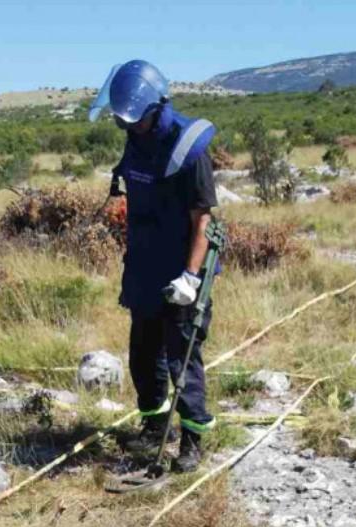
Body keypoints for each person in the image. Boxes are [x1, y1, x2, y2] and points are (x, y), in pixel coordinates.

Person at [89, 60, 218, 472]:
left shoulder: (189, 147)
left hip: (182, 267)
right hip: (145, 264)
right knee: (143, 356)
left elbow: (203, 221)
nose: (126, 125)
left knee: (183, 357)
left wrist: (191, 277)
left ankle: (193, 439)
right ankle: (153, 427)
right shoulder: (135, 137)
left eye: (133, 118)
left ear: (154, 107)